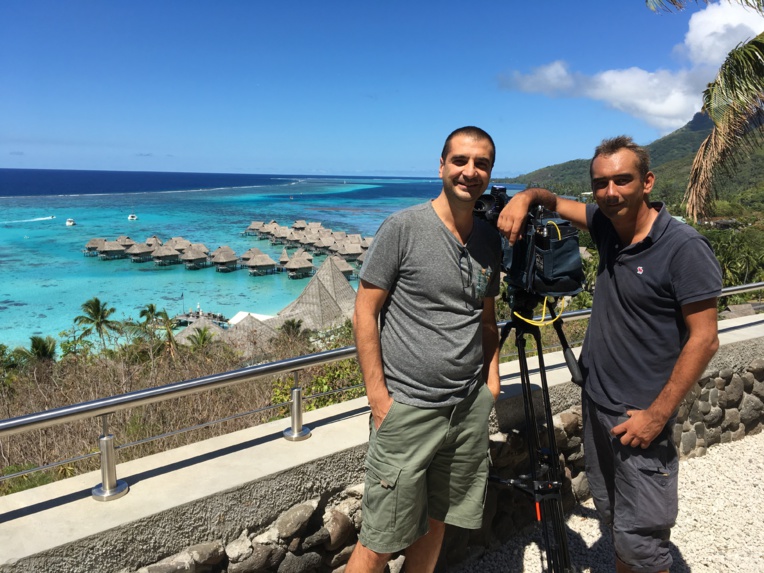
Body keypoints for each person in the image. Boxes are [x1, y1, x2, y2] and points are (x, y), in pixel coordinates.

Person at [497, 135, 722, 573]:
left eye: (623, 180)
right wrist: (526, 197)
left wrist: (657, 416)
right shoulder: (606, 226)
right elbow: (553, 200)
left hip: (639, 412)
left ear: (648, 182)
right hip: (597, 401)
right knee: (615, 518)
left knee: (643, 543)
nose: (612, 192)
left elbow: (705, 339)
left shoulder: (683, 247)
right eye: (602, 183)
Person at [345, 126, 503, 573]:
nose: (470, 171)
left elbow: (486, 319)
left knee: (438, 521)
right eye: (460, 161)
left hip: (467, 407)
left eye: (481, 164)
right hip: (408, 409)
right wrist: (379, 400)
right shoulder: (403, 228)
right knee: (377, 541)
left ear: (489, 172)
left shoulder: (489, 241)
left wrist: (491, 382)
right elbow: (365, 311)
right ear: (441, 166)